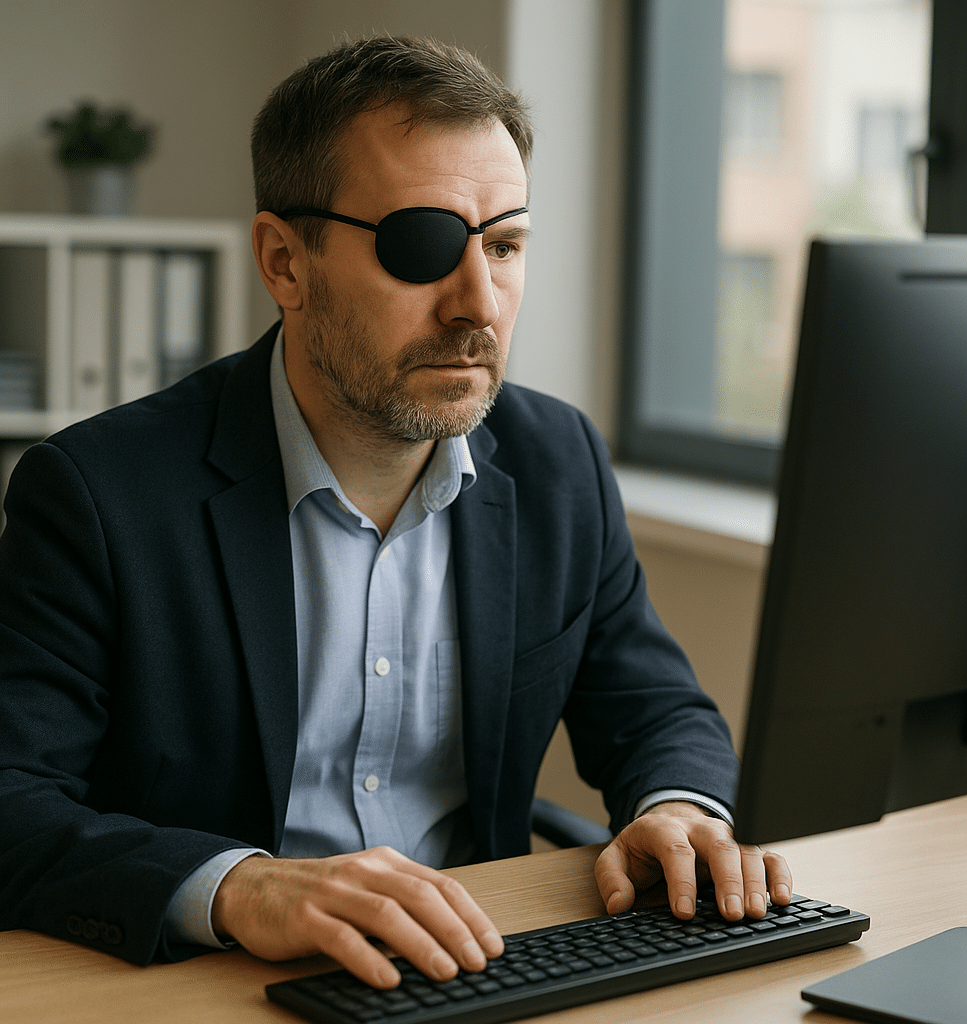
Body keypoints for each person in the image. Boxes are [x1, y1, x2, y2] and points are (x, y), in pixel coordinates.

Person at [0, 36, 790, 990]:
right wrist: (243, 887)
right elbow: (12, 796)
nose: (478, 304)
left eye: (504, 246)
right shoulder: (99, 495)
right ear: (285, 262)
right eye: (422, 248)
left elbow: (653, 706)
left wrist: (678, 811)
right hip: (225, 981)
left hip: (484, 968)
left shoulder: (558, 462)